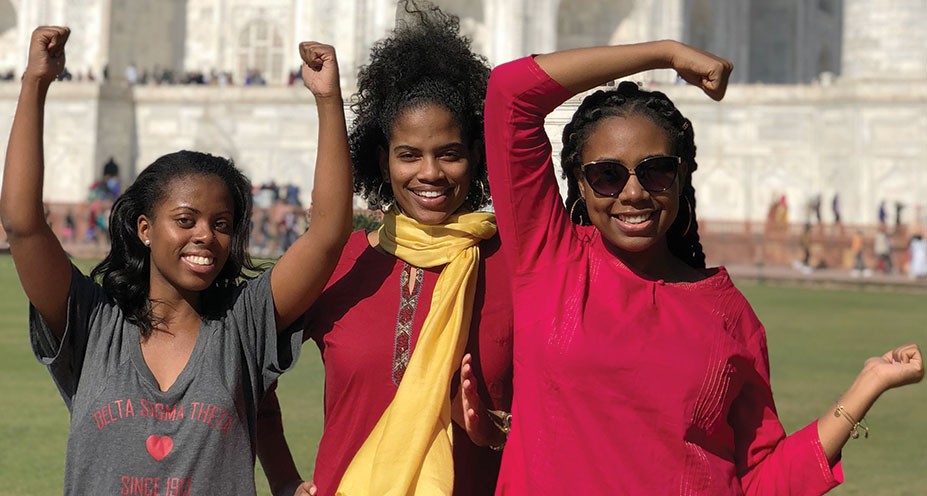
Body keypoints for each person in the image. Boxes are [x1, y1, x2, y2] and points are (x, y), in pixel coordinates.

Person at [479, 40, 924, 494]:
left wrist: (867, 385)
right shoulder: (551, 261)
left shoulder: (727, 313)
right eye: (607, 175)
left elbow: (759, 480)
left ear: (681, 177)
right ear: (580, 182)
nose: (633, 193)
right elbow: (510, 95)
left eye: (655, 171)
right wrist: (666, 54)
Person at [0, 27, 353, 493]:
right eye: (185, 220)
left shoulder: (242, 327)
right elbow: (24, 225)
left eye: (222, 224)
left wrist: (328, 101)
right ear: (145, 229)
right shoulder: (92, 325)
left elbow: (328, 235)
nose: (205, 235)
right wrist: (36, 83)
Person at [257, 3, 513, 495]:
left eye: (449, 154)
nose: (430, 173)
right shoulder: (342, 264)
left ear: (476, 157)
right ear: (383, 160)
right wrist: (285, 480)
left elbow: (564, 415)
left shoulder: (509, 264)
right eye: (409, 155)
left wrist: (491, 430)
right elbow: (244, 367)